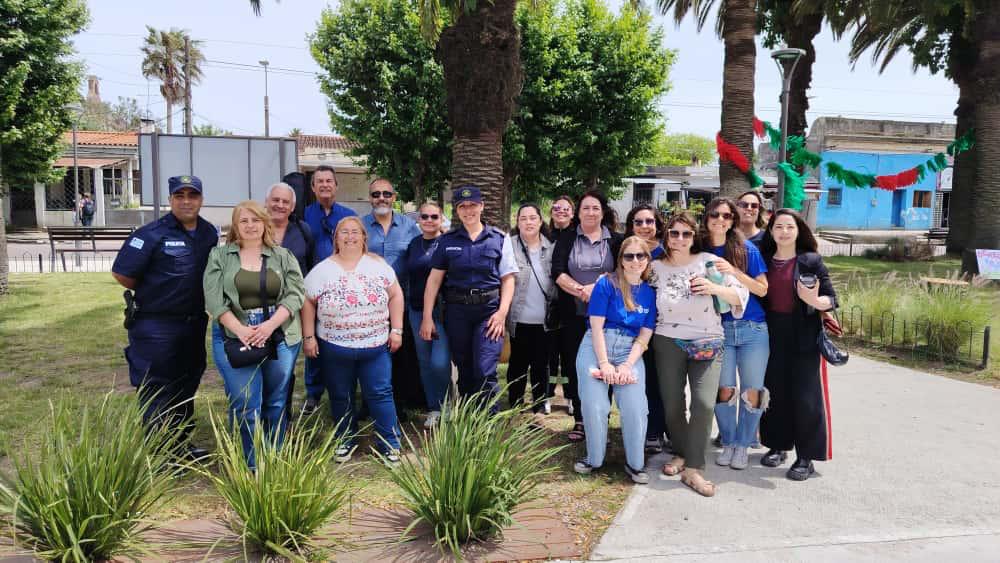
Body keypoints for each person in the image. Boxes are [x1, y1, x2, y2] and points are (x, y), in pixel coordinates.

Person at [111, 175, 218, 459]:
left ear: (201, 199)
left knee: (186, 383)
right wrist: (160, 292)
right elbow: (123, 274)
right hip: (156, 325)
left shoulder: (208, 233)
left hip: (194, 323)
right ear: (170, 200)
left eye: (192, 195)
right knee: (158, 388)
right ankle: (159, 455)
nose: (186, 201)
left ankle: (181, 445)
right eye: (179, 195)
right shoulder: (150, 234)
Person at [652, 212, 748, 497]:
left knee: (705, 404)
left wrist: (714, 287)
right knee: (672, 404)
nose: (679, 239)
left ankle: (694, 468)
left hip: (707, 339)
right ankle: (683, 453)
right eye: (674, 233)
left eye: (686, 234)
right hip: (667, 339)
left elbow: (740, 296)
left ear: (695, 237)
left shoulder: (709, 262)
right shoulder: (655, 267)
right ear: (666, 236)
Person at [204, 201, 305, 470]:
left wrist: (269, 326)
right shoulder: (219, 256)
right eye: (243, 221)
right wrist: (242, 331)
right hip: (234, 333)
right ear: (235, 226)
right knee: (247, 401)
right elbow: (214, 301)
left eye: (255, 220)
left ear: (265, 223)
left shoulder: (283, 256)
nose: (250, 226)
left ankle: (275, 458)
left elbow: (296, 294)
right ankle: (250, 464)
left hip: (279, 333)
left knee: (275, 401)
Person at [301, 216, 404, 463]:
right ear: (335, 238)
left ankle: (389, 442)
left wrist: (397, 330)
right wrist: (308, 336)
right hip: (335, 347)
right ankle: (345, 439)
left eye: (355, 232)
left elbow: (396, 294)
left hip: (375, 346)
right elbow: (307, 302)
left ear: (363, 238)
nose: (349, 236)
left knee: (380, 393)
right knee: (340, 394)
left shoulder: (378, 265)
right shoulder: (323, 269)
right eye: (344, 232)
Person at [420, 185, 518, 411]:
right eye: (462, 206)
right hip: (457, 313)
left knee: (485, 370)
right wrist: (427, 316)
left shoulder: (499, 239)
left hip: (489, 313)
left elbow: (508, 279)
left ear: (481, 206)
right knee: (464, 369)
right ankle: (468, 421)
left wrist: (502, 314)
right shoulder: (447, 241)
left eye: (472, 205)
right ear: (457, 210)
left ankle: (489, 423)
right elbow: (433, 281)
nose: (468, 210)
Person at [758, 208, 839, 481]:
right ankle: (778, 445)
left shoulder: (810, 261)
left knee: (806, 397)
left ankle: (806, 457)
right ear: (771, 231)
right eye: (778, 226)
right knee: (775, 392)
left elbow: (831, 298)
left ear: (798, 230)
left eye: (789, 227)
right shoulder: (764, 258)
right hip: (771, 332)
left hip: (803, 332)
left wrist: (815, 301)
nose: (784, 232)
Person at [573, 236, 657, 484]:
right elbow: (596, 327)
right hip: (596, 347)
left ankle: (635, 464)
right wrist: (604, 364)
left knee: (636, 407)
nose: (634, 261)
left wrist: (627, 365)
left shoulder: (650, 294)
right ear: (621, 259)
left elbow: (645, 334)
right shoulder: (606, 284)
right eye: (628, 256)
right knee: (595, 405)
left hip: (629, 352)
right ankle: (594, 458)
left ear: (646, 260)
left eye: (640, 256)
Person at [700, 198, 770, 470]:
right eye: (715, 214)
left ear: (733, 220)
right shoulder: (700, 249)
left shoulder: (745, 248)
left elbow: (763, 289)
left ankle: (744, 444)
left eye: (727, 215)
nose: (720, 219)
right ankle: (728, 442)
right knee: (724, 389)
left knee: (752, 390)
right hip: (719, 329)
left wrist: (734, 271)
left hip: (752, 328)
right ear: (706, 217)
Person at [552, 191, 622, 442]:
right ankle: (581, 419)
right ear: (578, 212)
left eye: (595, 208)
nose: (590, 212)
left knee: (606, 366)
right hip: (574, 315)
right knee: (576, 366)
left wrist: (598, 287)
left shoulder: (616, 240)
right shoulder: (568, 238)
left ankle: (601, 418)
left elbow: (622, 271)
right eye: (585, 208)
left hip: (608, 318)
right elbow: (557, 271)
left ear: (602, 212)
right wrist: (581, 290)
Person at [362, 178, 424, 411]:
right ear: (370, 198)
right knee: (372, 353)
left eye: (386, 194)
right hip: (369, 304)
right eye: (376, 194)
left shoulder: (409, 226)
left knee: (401, 353)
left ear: (394, 198)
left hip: (403, 300)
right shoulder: (360, 226)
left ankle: (400, 402)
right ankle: (370, 402)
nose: (381, 198)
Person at [301, 165, 357, 415]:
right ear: (313, 187)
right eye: (319, 181)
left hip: (341, 288)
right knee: (312, 338)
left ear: (336, 185)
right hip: (313, 288)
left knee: (341, 339)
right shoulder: (303, 215)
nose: (324, 185)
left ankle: (346, 390)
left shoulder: (348, 216)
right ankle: (313, 394)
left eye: (328, 181)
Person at [403, 202, 452, 428]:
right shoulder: (414, 244)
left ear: (441, 219)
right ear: (419, 220)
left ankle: (447, 404)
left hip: (441, 311)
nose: (430, 220)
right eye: (425, 216)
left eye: (434, 216)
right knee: (424, 362)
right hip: (416, 310)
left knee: (439, 363)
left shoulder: (448, 243)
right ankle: (434, 407)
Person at [624, 204, 667, 454]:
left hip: (662, 324)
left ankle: (656, 431)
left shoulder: (666, 251)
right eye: (638, 222)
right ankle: (640, 429)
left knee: (657, 380)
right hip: (634, 324)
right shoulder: (627, 250)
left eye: (649, 221)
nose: (644, 226)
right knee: (639, 379)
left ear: (657, 224)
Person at [506, 203, 556, 415]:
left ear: (540, 221)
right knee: (517, 363)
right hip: (518, 318)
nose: (528, 222)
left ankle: (540, 401)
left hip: (544, 319)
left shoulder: (551, 247)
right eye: (523, 218)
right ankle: (515, 402)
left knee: (541, 364)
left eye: (532, 218)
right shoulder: (508, 246)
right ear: (517, 222)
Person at [545, 195, 576, 415]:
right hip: (546, 303)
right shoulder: (544, 235)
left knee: (569, 355)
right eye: (557, 208)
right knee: (548, 354)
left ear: (572, 213)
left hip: (570, 303)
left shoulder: (577, 236)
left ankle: (570, 396)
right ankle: (546, 395)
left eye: (566, 209)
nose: (561, 212)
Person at [266, 182, 313, 275]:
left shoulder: (303, 229)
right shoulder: (255, 229)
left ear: (292, 207)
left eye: (285, 202)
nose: (280, 205)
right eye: (276, 200)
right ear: (266, 202)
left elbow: (309, 264)